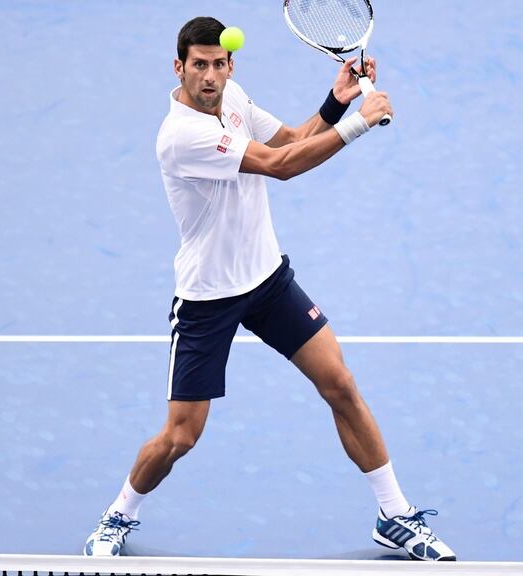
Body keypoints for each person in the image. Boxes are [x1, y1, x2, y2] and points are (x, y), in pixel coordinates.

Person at [83, 16, 455, 562]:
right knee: (182, 436)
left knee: (341, 384)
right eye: (199, 65)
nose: (210, 76)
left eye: (219, 64)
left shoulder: (233, 96)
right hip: (209, 297)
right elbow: (280, 166)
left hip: (266, 278)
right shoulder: (181, 135)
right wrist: (360, 124)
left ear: (230, 65)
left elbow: (290, 140)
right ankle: (118, 514)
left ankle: (395, 514)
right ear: (179, 67)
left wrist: (336, 102)